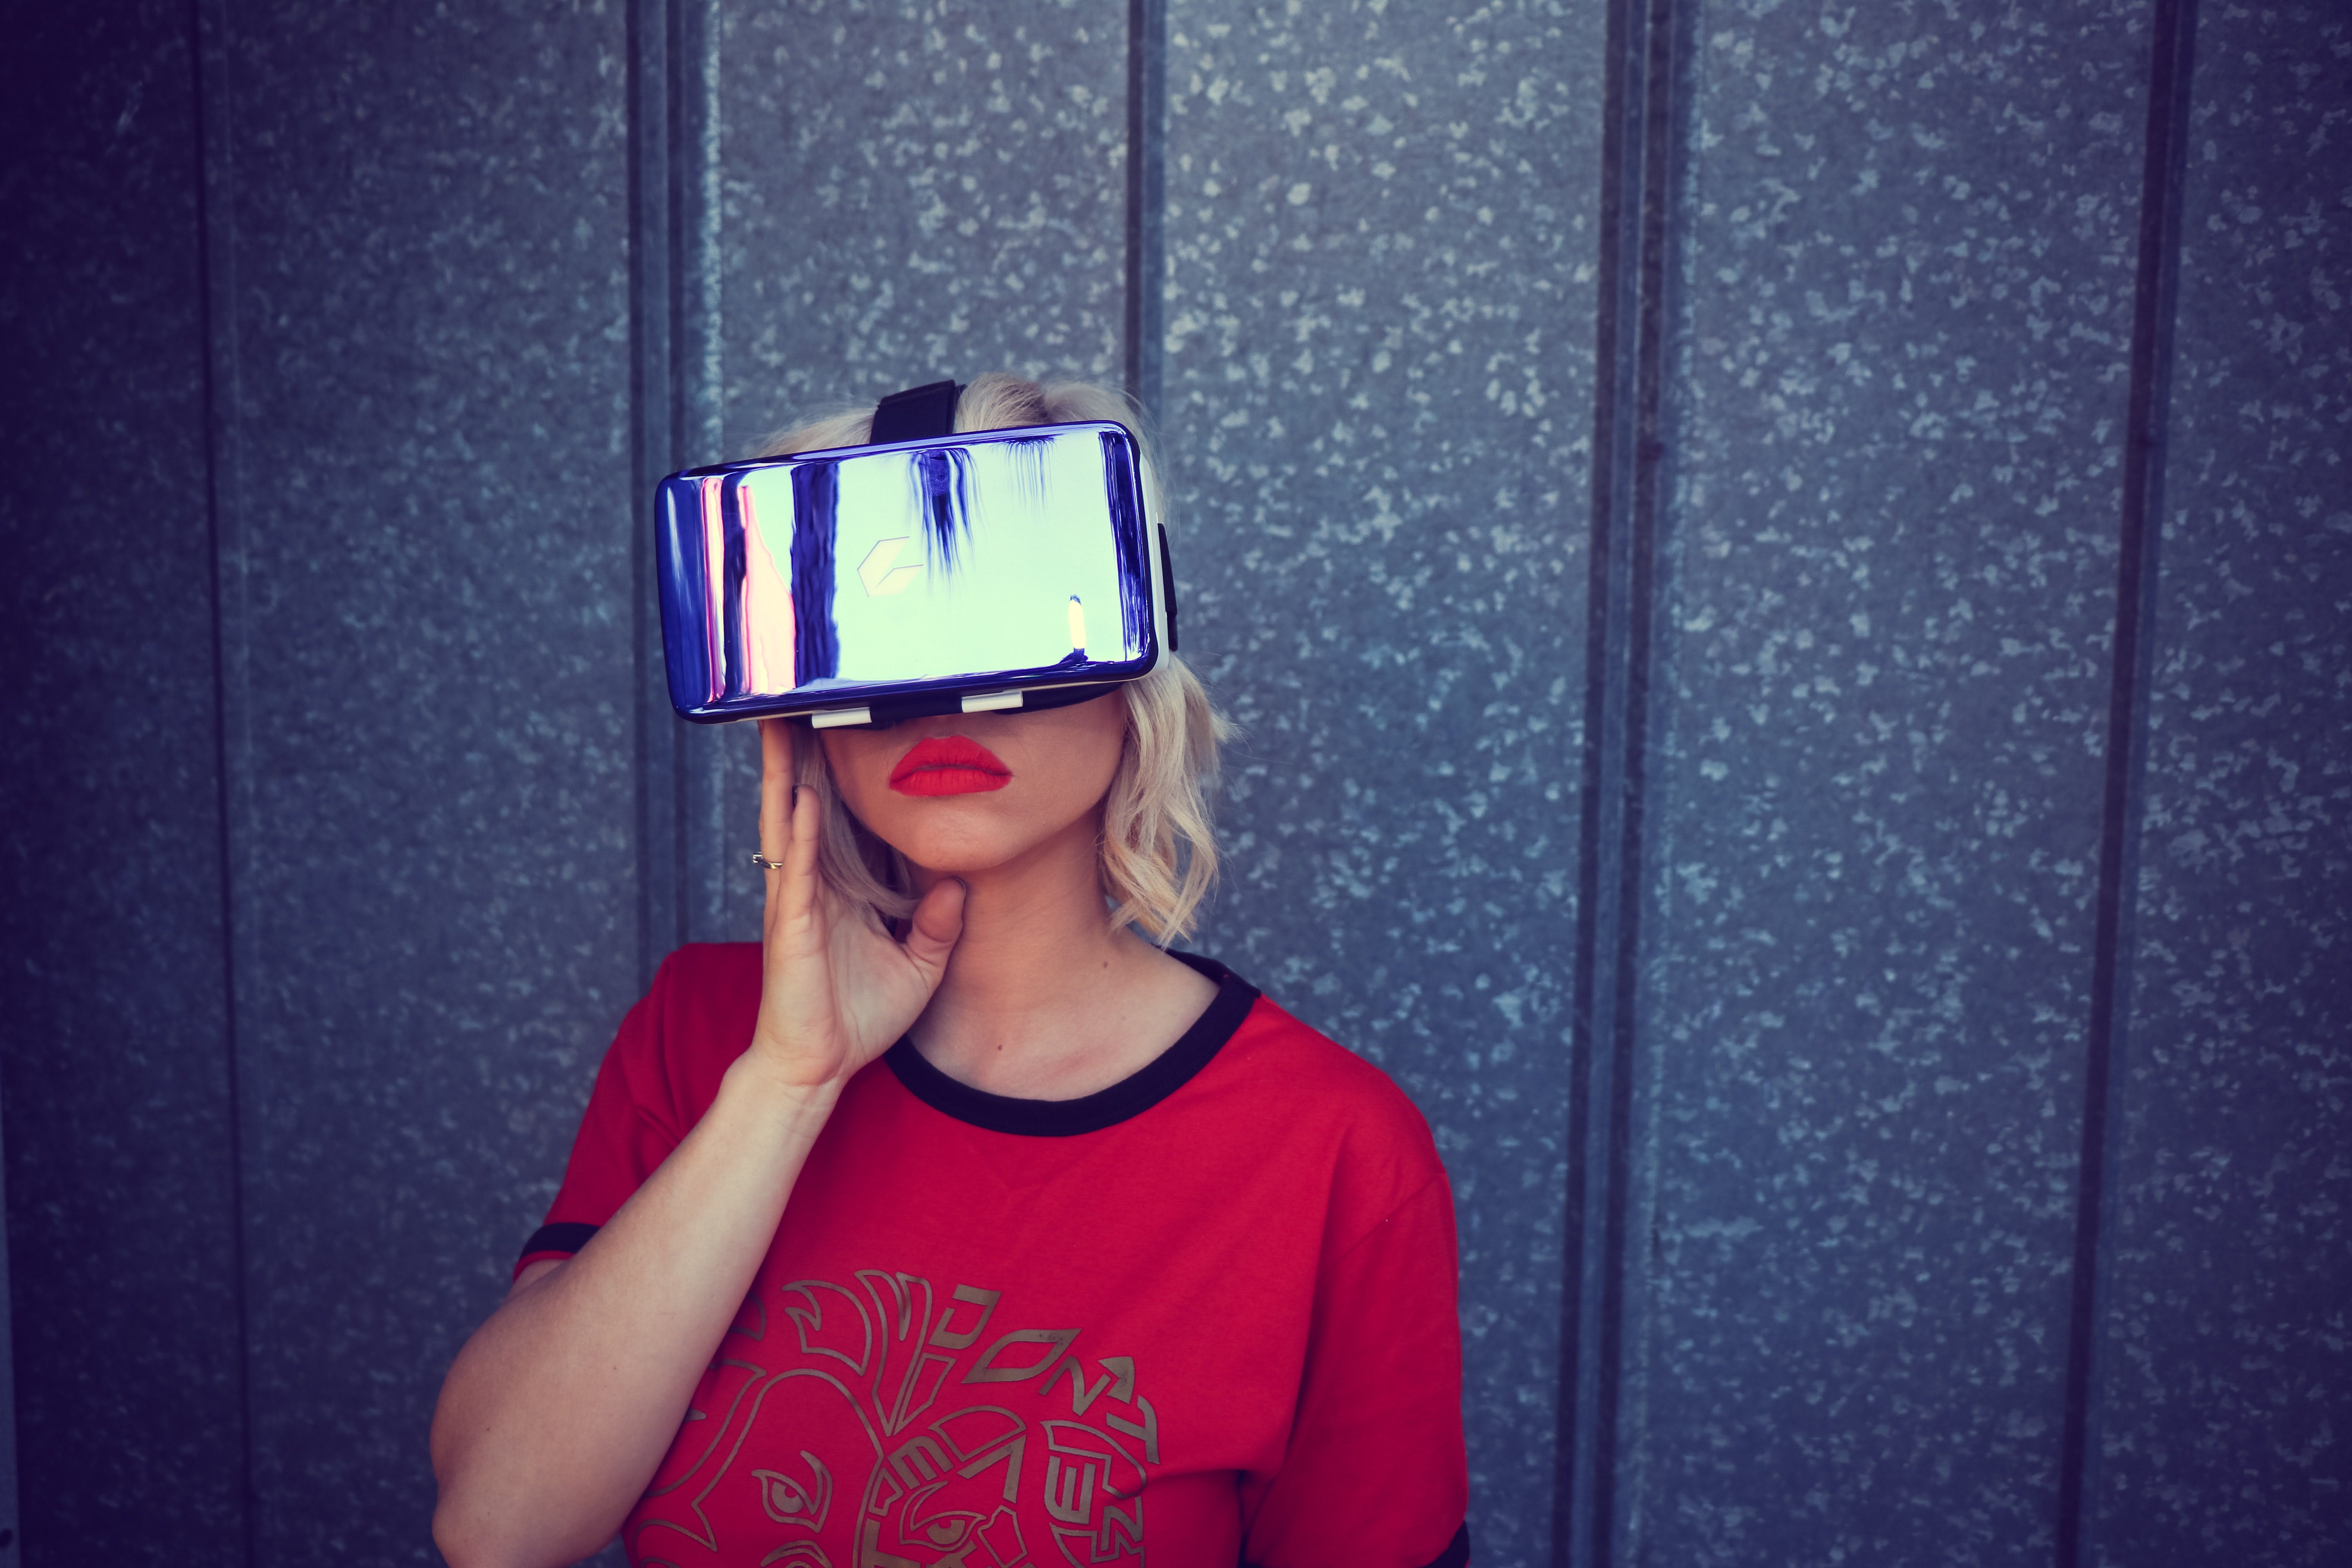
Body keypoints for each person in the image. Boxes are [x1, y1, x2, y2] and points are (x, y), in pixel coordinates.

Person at [429, 374, 1470, 1568]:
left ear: (1133, 657)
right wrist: (785, 1086)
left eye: (1010, 613)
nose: (940, 705)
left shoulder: (1330, 1151)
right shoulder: (701, 1035)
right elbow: (497, 1529)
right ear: (801, 695)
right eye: (880, 630)